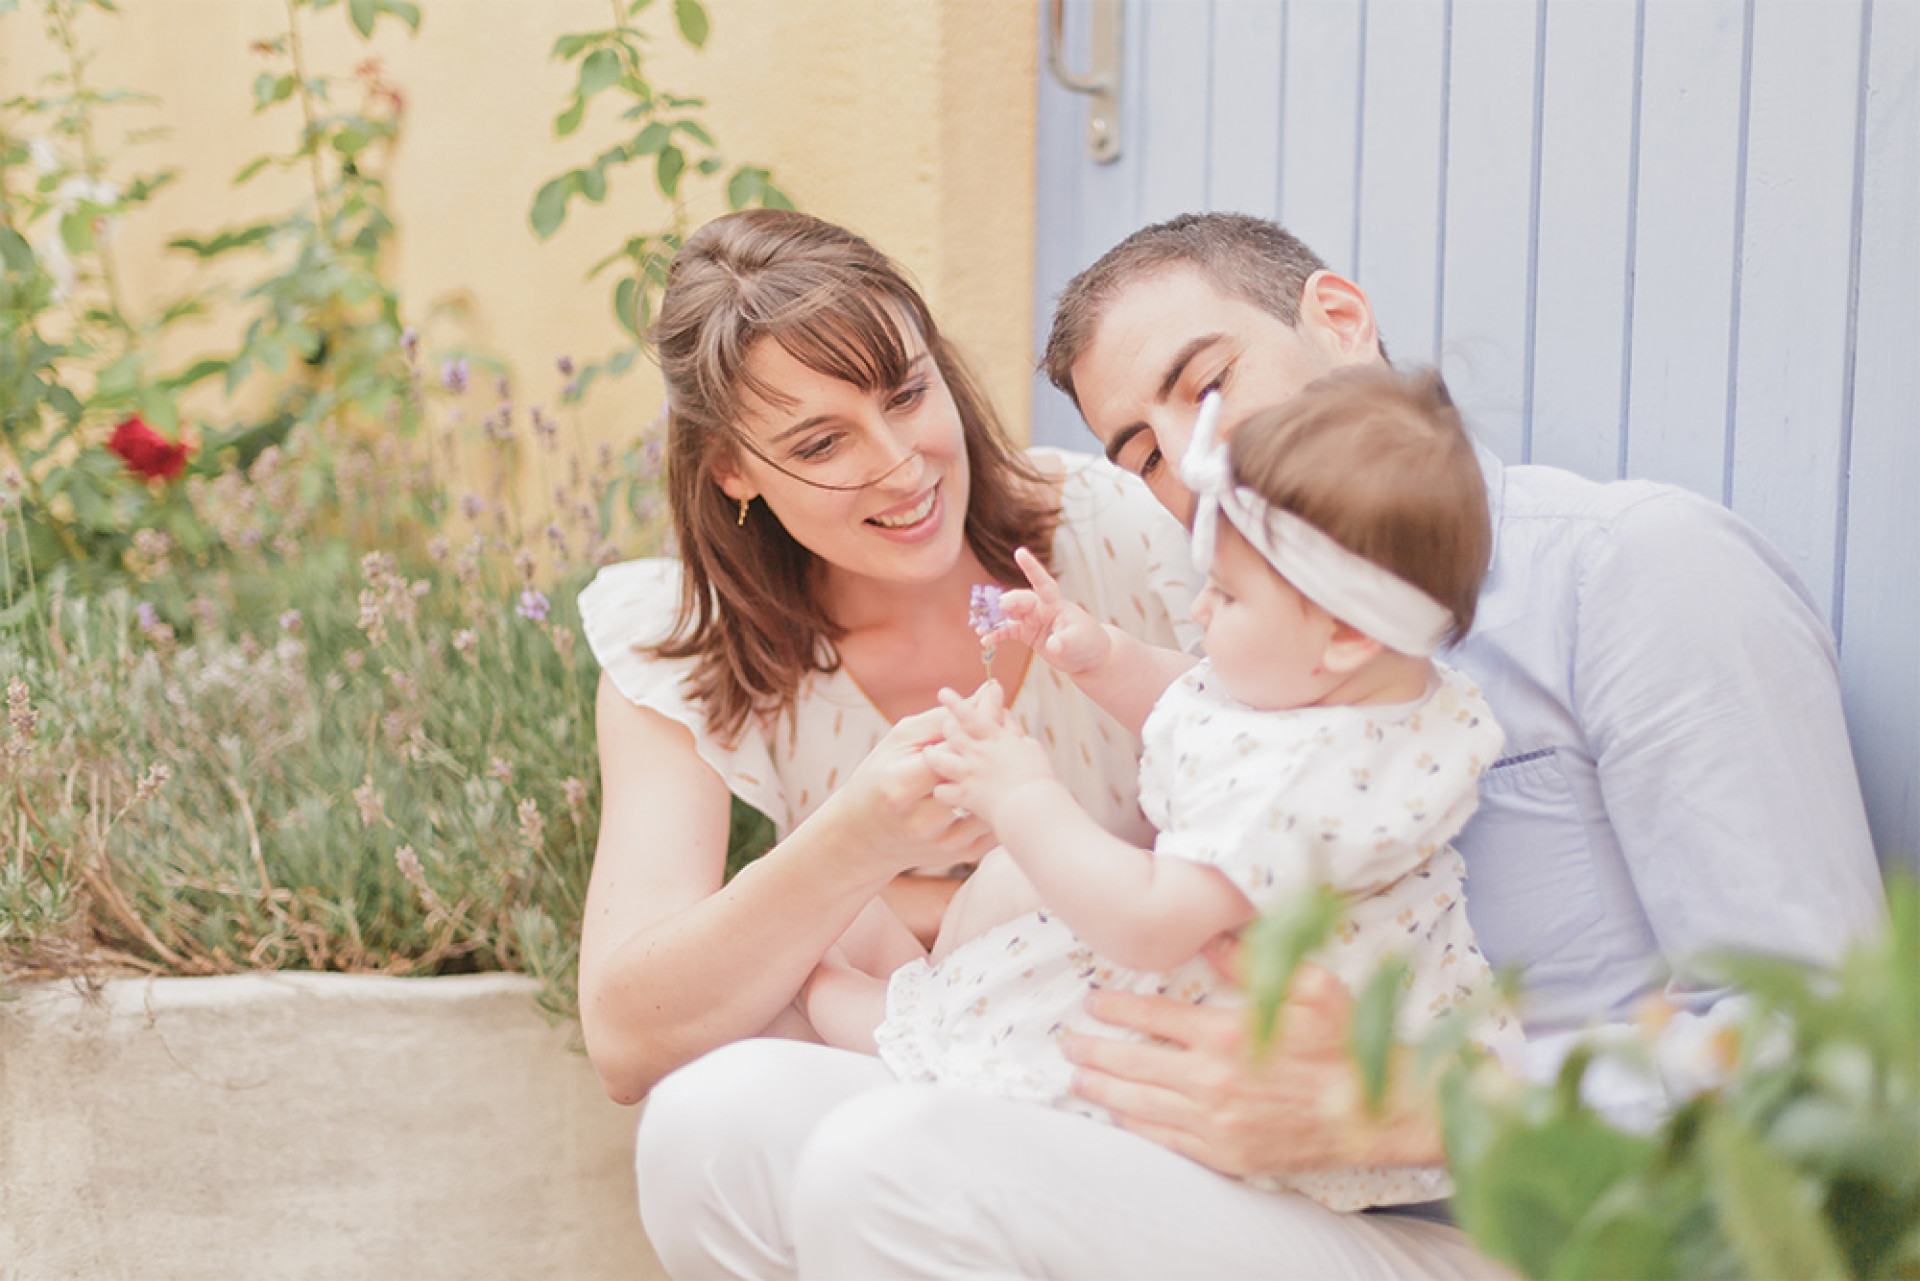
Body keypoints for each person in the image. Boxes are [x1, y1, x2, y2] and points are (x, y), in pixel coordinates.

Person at [637, 211, 1887, 1278]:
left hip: (1532, 1229)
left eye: (1205, 387)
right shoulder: (1246, 645)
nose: (1192, 463)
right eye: (1142, 452)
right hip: (1273, 1191)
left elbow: (1838, 1065)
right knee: (715, 1123)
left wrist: (1423, 1106)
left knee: (894, 1167)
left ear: (1340, 320)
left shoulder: (1634, 573)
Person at [573, 207, 1206, 1250]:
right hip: (892, 1091)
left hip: (1127, 1077)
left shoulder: (1111, 530)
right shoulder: (686, 641)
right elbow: (626, 1036)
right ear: (732, 469)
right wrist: (859, 840)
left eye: (907, 394)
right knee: (700, 1119)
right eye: (821, 442)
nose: (902, 465)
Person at [806, 366, 1520, 1218]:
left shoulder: (1304, 785)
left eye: (1227, 592)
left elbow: (1149, 921)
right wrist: (1100, 653)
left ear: (1344, 633)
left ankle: (846, 1008)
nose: (1201, 608)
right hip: (1278, 1005)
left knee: (970, 1027)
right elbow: (1204, 712)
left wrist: (1021, 796)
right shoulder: (1372, 697)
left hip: (1226, 1032)